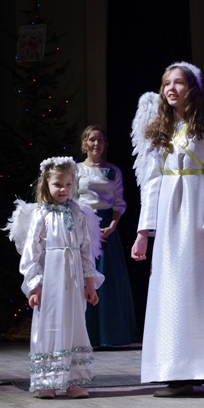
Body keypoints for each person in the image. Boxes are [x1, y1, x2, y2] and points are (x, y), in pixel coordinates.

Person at [130, 62, 204, 398]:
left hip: (200, 218)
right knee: (172, 292)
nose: (171, 88)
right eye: (166, 83)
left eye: (178, 82)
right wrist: (143, 231)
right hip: (170, 220)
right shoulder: (159, 132)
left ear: (192, 89)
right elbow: (151, 184)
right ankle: (177, 374)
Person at [12, 157, 104, 399]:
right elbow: (31, 252)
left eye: (68, 185)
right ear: (46, 184)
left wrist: (90, 282)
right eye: (58, 185)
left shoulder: (78, 213)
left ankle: (73, 380)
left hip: (73, 279)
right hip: (51, 279)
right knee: (49, 325)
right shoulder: (40, 214)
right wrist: (34, 285)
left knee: (75, 323)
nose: (63, 189)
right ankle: (47, 381)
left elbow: (86, 250)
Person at [77, 125, 136, 347]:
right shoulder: (76, 169)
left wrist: (112, 225)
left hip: (107, 228)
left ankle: (110, 335)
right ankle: (87, 335)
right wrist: (85, 227)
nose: (96, 144)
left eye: (100, 140)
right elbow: (72, 199)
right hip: (84, 225)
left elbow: (119, 201)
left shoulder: (113, 170)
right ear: (84, 143)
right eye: (92, 139)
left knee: (109, 278)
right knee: (86, 275)